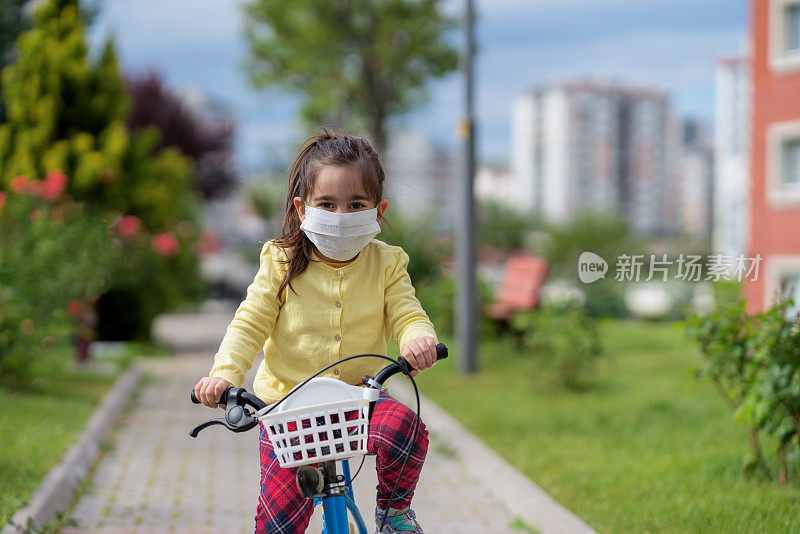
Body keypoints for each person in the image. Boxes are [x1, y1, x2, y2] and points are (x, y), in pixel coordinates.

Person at [194, 129, 439, 534]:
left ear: (378, 212)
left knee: (405, 429)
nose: (341, 216)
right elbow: (250, 321)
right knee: (277, 525)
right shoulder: (281, 259)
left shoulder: (388, 262)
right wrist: (225, 374)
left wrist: (417, 337)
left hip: (361, 402)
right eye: (327, 204)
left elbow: (406, 311)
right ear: (302, 208)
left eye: (356, 204)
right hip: (287, 410)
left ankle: (393, 512)